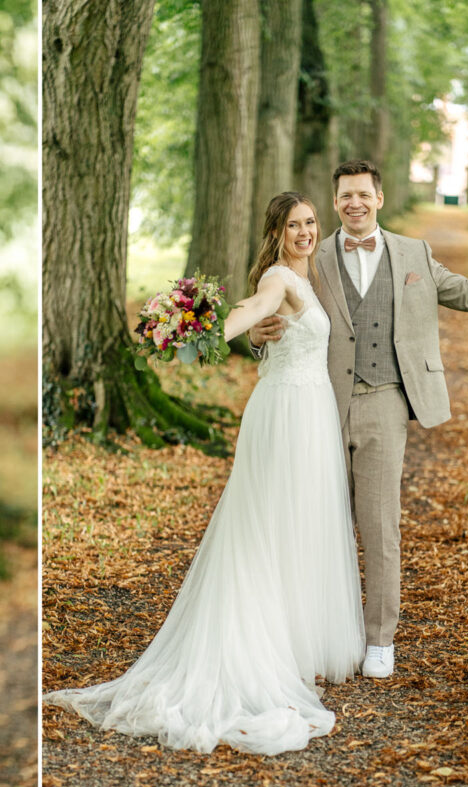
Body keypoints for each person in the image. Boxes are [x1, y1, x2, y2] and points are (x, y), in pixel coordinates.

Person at [45, 192, 366, 755]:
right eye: (295, 225)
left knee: (302, 524)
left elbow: (269, 321)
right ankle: (266, 651)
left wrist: (256, 330)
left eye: (311, 223)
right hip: (286, 415)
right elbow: (251, 308)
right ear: (276, 231)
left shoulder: (306, 279)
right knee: (270, 525)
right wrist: (208, 329)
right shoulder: (278, 277)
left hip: (311, 411)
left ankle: (294, 645)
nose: (306, 232)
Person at [248, 160, 468, 678]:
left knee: (379, 524)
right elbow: (271, 312)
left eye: (363, 194)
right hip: (317, 403)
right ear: (334, 204)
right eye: (344, 195)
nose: (354, 203)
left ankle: (379, 639)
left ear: (379, 197)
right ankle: (313, 633)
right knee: (315, 520)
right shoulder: (312, 253)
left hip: (384, 401)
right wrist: (253, 336)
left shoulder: (413, 253)